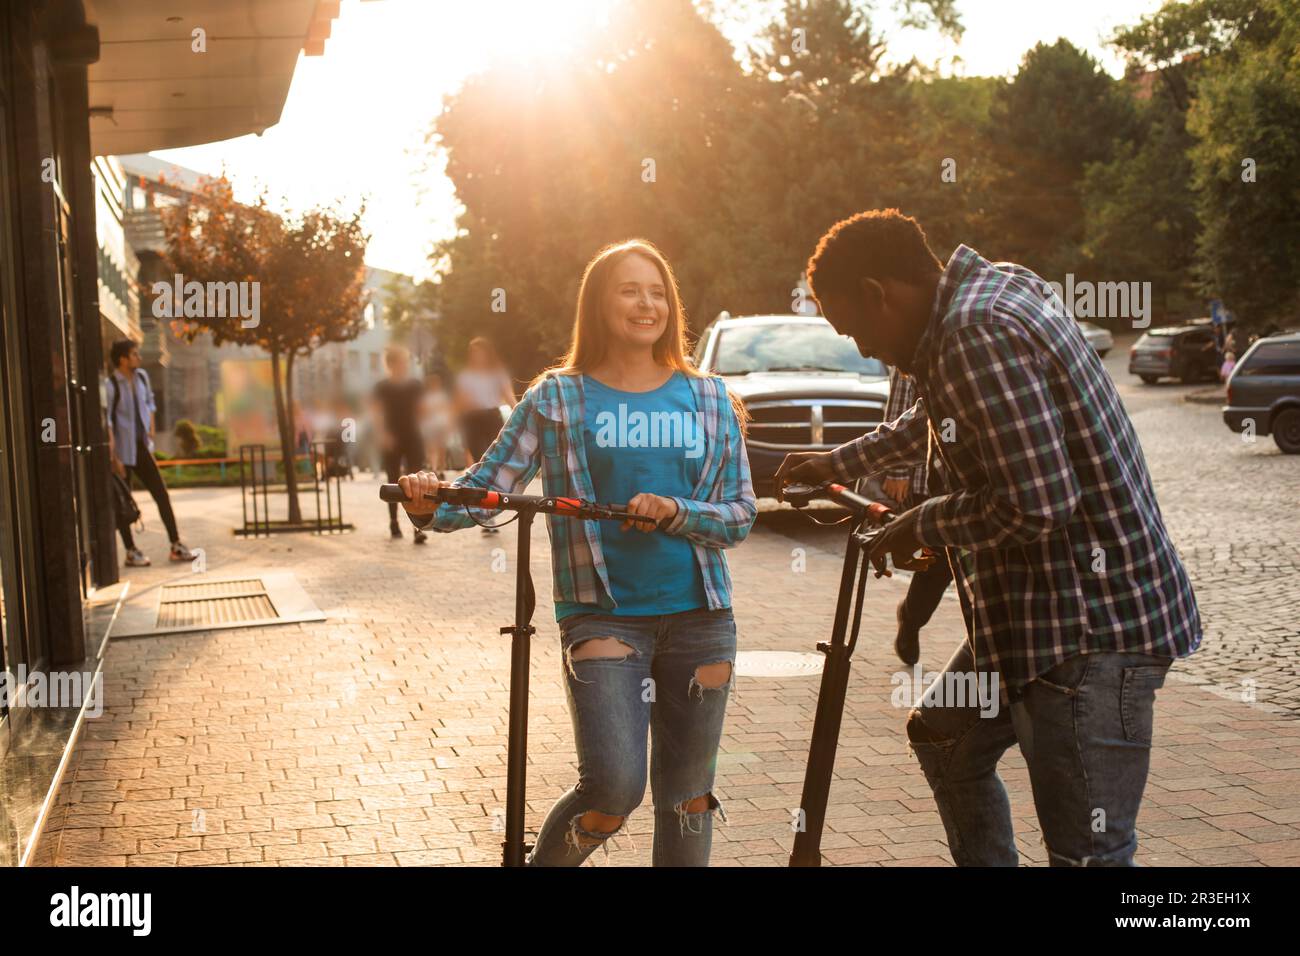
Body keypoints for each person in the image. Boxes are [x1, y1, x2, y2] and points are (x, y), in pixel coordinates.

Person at [776, 209, 1201, 867]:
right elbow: (942, 413)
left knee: (1089, 853)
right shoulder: (990, 294)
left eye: (854, 328)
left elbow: (1037, 506)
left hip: (1089, 632)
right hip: (1036, 622)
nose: (862, 348)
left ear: (876, 292)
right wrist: (844, 461)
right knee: (946, 738)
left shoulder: (975, 335)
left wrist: (919, 522)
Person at [399, 239, 756, 867]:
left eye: (657, 292)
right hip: (602, 616)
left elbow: (739, 514)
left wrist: (677, 512)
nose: (646, 304)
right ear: (597, 304)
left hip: (701, 618)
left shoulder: (708, 399)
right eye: (629, 289)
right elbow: (490, 487)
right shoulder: (558, 398)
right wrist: (430, 501)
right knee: (614, 787)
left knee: (689, 797)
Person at [878, 366, 953, 666]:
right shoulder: (910, 343)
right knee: (937, 567)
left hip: (966, 481)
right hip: (925, 481)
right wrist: (896, 471)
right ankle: (911, 618)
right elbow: (898, 410)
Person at [106, 340, 198, 567]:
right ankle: (130, 551)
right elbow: (107, 421)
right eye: (134, 354)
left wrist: (151, 433)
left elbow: (150, 404)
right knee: (123, 502)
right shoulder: (111, 385)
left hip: (142, 448)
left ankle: (176, 545)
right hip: (123, 451)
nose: (139, 357)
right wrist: (113, 457)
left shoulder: (142, 378)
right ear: (123, 359)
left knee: (161, 495)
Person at [454, 338, 517, 534]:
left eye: (479, 351)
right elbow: (460, 402)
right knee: (480, 465)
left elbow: (510, 397)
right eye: (473, 352)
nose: (476, 356)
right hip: (472, 420)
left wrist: (521, 416)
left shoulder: (497, 374)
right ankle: (484, 513)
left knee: (493, 464)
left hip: (492, 417)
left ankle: (489, 510)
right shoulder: (466, 376)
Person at [371, 346, 428, 543]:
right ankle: (394, 522)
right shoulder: (382, 387)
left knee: (416, 483)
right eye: (401, 361)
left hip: (413, 436)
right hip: (391, 438)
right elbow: (376, 414)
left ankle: (417, 526)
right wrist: (383, 435)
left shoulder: (415, 385)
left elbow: (422, 410)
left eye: (406, 361)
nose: (405, 365)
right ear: (391, 364)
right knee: (393, 480)